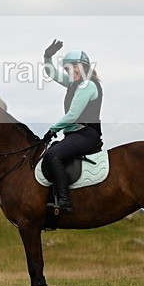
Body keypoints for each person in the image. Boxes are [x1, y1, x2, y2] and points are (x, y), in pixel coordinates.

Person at [41, 40, 103, 213]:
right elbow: (51, 72)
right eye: (67, 68)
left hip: (86, 134)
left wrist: (53, 129)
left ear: (83, 66)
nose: (70, 71)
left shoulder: (88, 85)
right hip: (74, 135)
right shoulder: (73, 84)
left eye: (72, 67)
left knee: (53, 155)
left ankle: (64, 201)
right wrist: (47, 56)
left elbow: (73, 115)